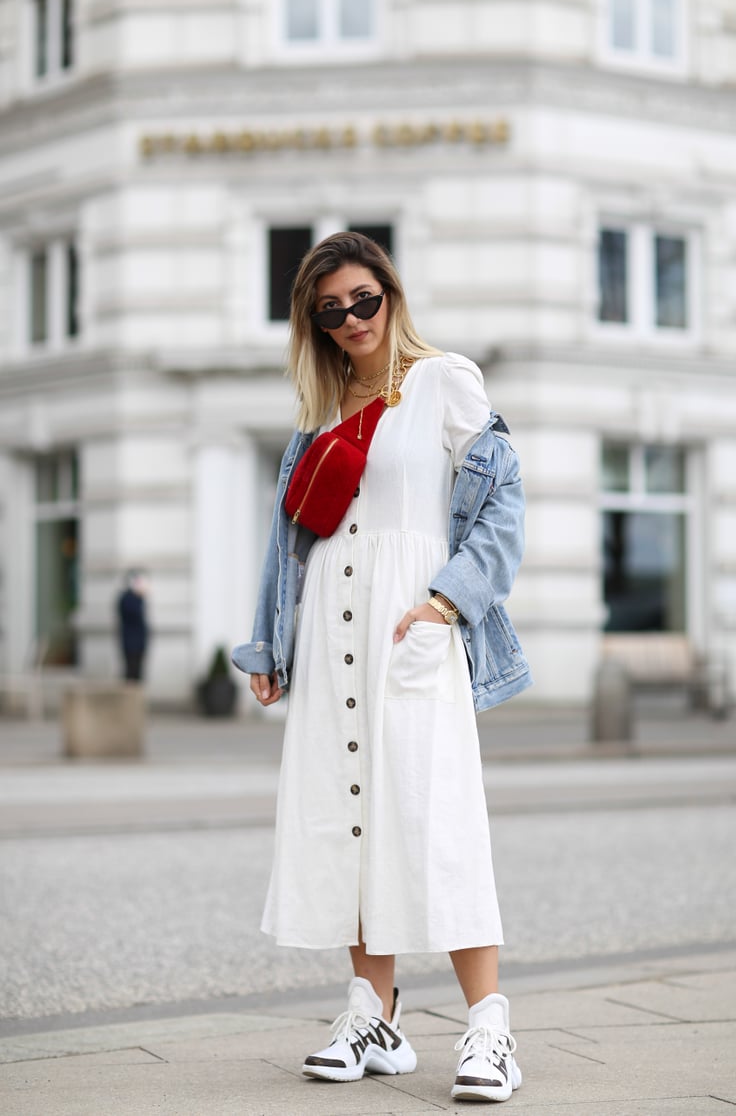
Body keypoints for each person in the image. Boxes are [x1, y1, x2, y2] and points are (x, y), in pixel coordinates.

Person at [232, 232, 531, 1103]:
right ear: (314, 322)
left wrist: (446, 604)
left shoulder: (446, 381)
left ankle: (490, 1030)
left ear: (391, 295)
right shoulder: (318, 415)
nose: (353, 318)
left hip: (414, 627)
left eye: (365, 299)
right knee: (347, 811)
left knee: (438, 818)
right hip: (331, 631)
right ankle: (373, 1012)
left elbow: (503, 504)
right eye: (332, 309)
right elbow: (290, 544)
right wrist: (270, 643)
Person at [117, 570, 149, 682]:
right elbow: (134, 614)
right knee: (131, 671)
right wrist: (139, 597)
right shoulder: (127, 598)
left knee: (137, 671)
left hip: (138, 642)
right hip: (131, 642)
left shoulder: (137, 598)